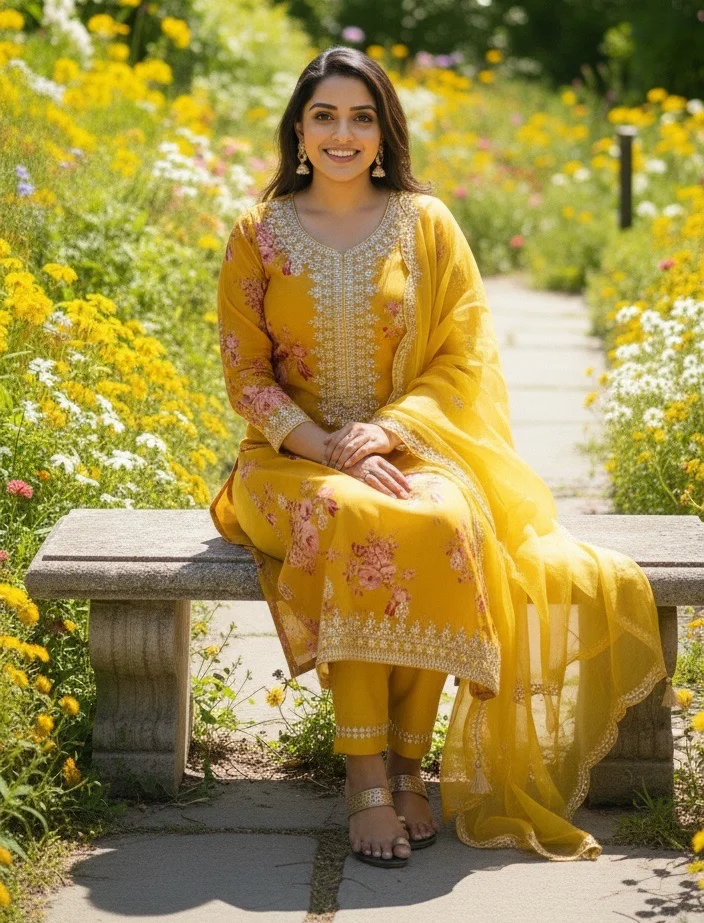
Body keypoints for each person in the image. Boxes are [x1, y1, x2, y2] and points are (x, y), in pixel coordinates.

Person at [210, 45, 674, 868]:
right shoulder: (258, 233)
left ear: (384, 132)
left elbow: (462, 357)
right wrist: (325, 445)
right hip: (285, 465)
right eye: (325, 116)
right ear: (299, 130)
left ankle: (406, 760)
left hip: (405, 449)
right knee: (354, 513)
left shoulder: (426, 225)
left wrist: (385, 430)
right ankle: (364, 777)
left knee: (442, 515)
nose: (343, 133)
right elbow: (244, 377)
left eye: (361, 116)